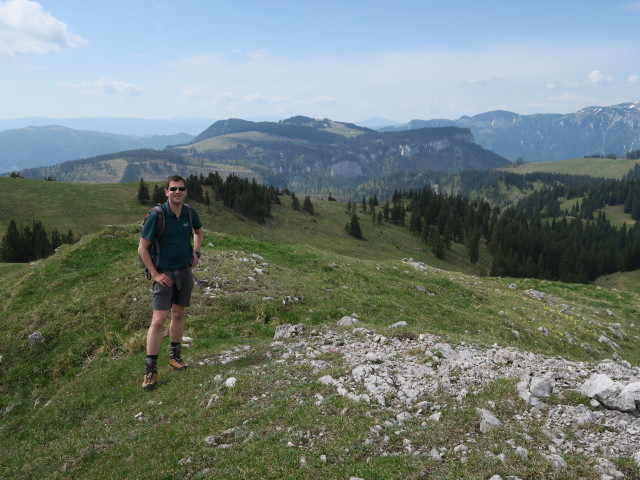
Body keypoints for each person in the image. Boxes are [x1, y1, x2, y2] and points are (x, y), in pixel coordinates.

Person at [138, 175, 203, 391]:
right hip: (164, 274)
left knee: (178, 314)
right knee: (158, 321)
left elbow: (198, 232)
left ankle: (175, 357)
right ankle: (150, 370)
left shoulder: (190, 212)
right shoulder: (157, 215)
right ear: (166, 191)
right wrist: (155, 275)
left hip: (184, 271)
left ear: (185, 191)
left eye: (181, 189)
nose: (177, 192)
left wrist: (196, 252)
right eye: (173, 189)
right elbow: (142, 248)